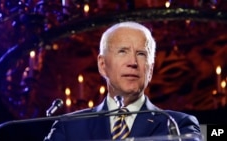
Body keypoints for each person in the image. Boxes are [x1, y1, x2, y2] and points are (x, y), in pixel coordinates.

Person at [44, 21, 201, 141]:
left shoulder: (178, 124)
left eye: (141, 54)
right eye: (122, 52)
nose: (132, 62)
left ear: (151, 69)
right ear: (102, 64)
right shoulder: (70, 127)